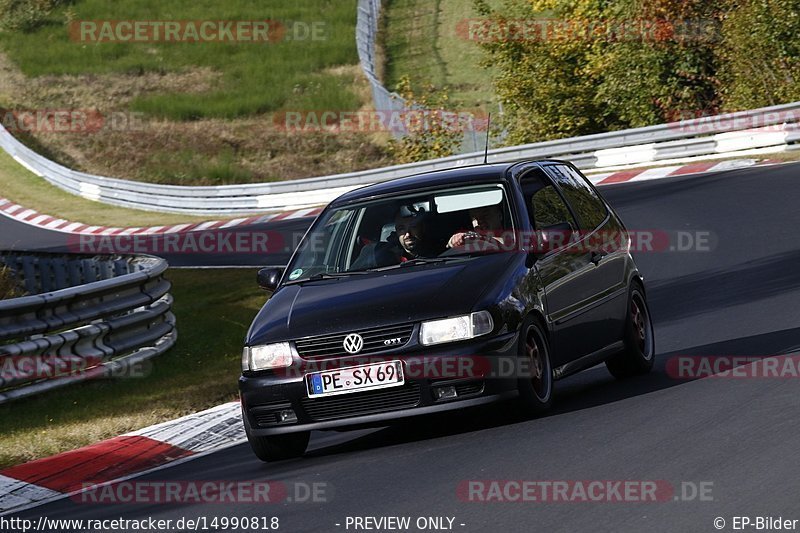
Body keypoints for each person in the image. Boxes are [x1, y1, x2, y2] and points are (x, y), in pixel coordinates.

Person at [350, 205, 441, 270]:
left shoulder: (441, 252)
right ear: (396, 231)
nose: (408, 234)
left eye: (413, 226)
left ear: (422, 228)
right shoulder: (377, 256)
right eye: (401, 229)